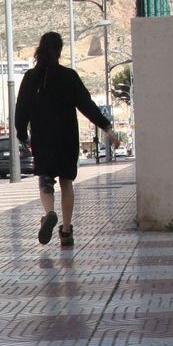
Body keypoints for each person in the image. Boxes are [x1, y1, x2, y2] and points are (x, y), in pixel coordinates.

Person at [14, 31, 114, 248]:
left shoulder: (30, 78)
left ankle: (49, 213)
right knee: (66, 182)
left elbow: (21, 109)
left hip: (43, 138)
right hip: (67, 138)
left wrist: (22, 133)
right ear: (59, 51)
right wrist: (106, 126)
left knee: (45, 180)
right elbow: (87, 106)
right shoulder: (69, 76)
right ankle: (66, 231)